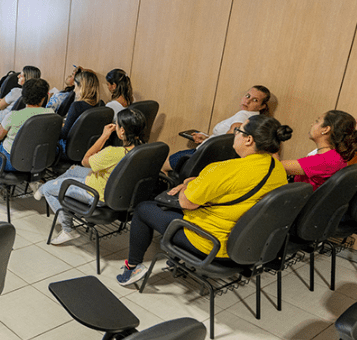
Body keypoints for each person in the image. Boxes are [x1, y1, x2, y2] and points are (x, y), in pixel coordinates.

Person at [117, 115, 292, 286]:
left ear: (248, 140)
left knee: (143, 209)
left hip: (209, 243)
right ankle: (175, 260)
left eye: (239, 130)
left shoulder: (225, 169)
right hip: (246, 245)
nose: (235, 133)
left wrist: (186, 183)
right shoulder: (277, 169)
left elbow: (187, 203)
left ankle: (133, 267)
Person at [38, 108, 147, 245]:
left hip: (96, 194)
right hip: (115, 192)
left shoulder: (113, 153)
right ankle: (49, 186)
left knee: (48, 188)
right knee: (73, 169)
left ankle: (68, 230)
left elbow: (85, 160)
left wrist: (104, 136)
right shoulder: (143, 151)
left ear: (122, 131)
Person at [165, 85, 272, 172]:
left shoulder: (243, 114)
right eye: (247, 96)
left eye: (255, 100)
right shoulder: (257, 120)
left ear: (262, 106)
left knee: (162, 164)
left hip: (202, 156)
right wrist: (207, 139)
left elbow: (232, 136)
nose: (247, 101)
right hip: (216, 162)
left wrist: (209, 143)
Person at [279, 110, 357, 190]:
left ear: (325, 129)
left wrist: (273, 142)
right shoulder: (334, 155)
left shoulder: (325, 160)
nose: (312, 124)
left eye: (317, 121)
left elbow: (276, 166)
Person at [60, 70, 103, 140]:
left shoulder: (77, 106)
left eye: (75, 86)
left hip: (68, 146)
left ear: (81, 87)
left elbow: (64, 134)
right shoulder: (101, 105)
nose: (74, 90)